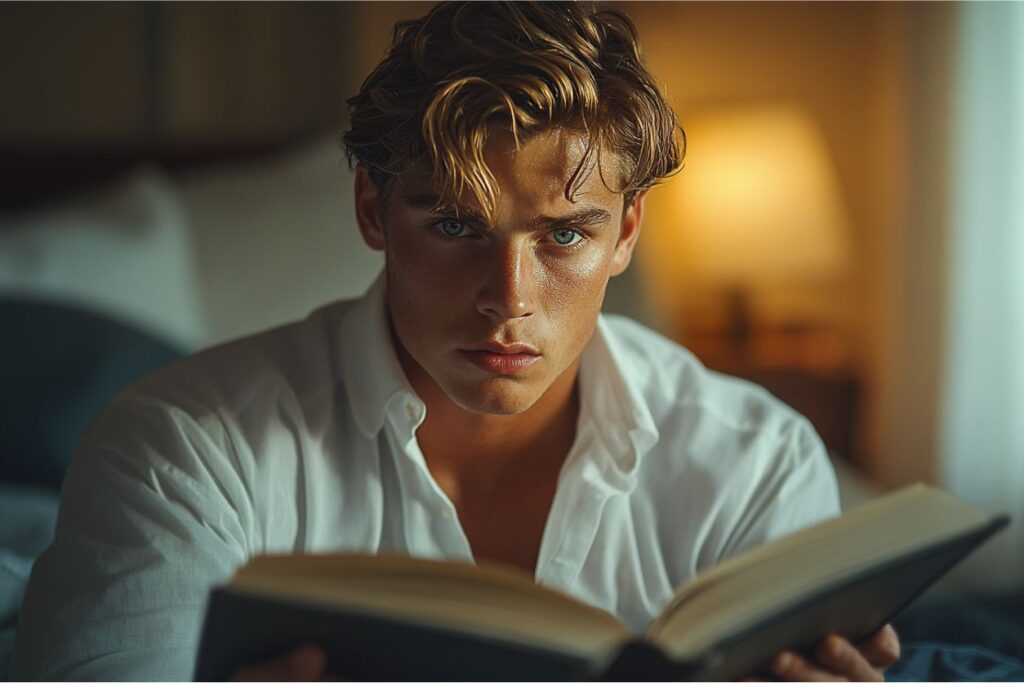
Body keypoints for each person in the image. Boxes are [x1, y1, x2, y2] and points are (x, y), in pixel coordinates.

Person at [12, 2, 899, 680]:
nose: (507, 300)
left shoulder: (758, 463)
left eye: (562, 236)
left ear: (626, 233)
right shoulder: (185, 449)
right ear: (372, 208)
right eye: (454, 226)